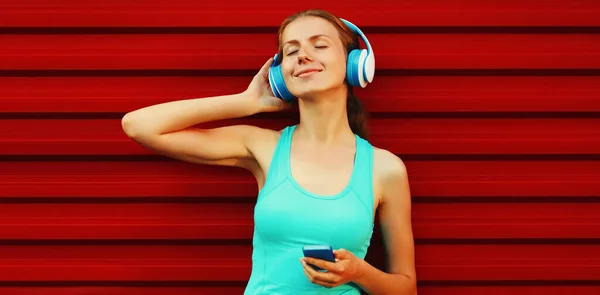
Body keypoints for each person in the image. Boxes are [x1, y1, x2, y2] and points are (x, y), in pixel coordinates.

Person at [121, 9, 417, 295]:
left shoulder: (384, 168)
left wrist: (359, 273)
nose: (303, 55)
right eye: (291, 51)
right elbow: (139, 126)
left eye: (320, 45)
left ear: (355, 63)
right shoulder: (263, 147)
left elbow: (406, 287)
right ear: (280, 74)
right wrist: (247, 102)